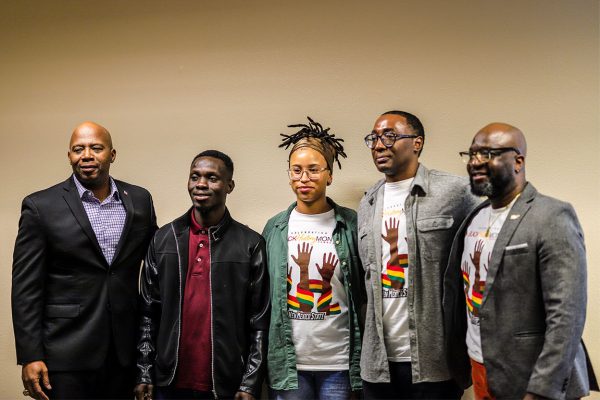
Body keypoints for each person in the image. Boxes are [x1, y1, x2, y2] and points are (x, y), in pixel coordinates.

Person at [443, 122, 598, 399]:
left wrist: (542, 389)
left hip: (530, 377)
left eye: (488, 153)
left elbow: (567, 315)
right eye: (472, 154)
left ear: (518, 161)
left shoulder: (551, 216)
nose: (476, 162)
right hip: (481, 366)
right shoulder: (474, 217)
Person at [12, 121, 157, 400]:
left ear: (112, 154)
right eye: (78, 149)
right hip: (66, 354)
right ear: (69, 156)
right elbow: (25, 289)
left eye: (96, 148)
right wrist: (30, 355)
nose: (87, 155)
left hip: (125, 353)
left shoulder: (139, 200)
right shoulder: (41, 206)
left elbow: (156, 263)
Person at [358, 111, 478, 399]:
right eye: (373, 138)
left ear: (417, 143)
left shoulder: (456, 192)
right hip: (378, 365)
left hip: (435, 362)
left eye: (389, 136)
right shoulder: (367, 202)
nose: (378, 145)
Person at [135, 150, 270, 400]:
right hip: (168, 382)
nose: (201, 184)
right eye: (194, 176)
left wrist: (250, 383)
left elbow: (259, 322)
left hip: (225, 384)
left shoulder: (250, 244)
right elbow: (147, 314)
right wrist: (144, 372)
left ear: (229, 185)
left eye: (212, 177)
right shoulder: (163, 239)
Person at [262, 117, 365, 399]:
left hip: (340, 365)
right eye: (296, 170)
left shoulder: (351, 224)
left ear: (329, 175)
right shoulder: (275, 228)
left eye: (313, 170)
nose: (304, 178)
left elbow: (365, 290)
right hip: (289, 367)